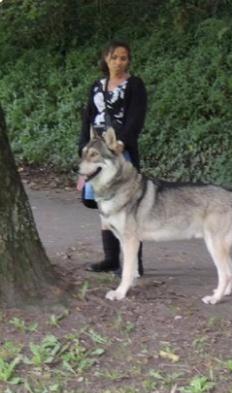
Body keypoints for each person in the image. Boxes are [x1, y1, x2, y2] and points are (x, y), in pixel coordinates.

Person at [77, 40, 147, 275]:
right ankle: (111, 259)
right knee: (102, 203)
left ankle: (133, 263)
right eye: (114, 57)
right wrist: (82, 149)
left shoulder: (134, 85)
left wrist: (121, 142)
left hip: (120, 153)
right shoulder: (96, 86)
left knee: (127, 206)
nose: (119, 62)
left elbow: (136, 118)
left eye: (124, 58)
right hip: (97, 153)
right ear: (106, 59)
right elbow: (88, 118)